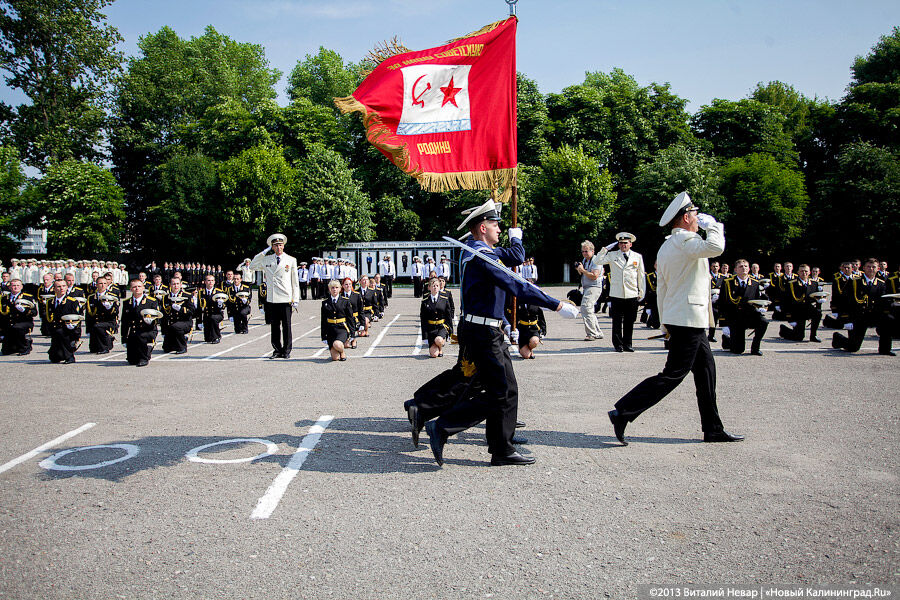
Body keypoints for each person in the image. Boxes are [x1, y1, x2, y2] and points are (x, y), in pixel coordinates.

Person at [418, 199, 579, 467]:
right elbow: (517, 284)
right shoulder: (482, 256)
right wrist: (557, 304)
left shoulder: (477, 250)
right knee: (499, 392)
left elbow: (512, 262)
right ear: (482, 227)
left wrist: (517, 244)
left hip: (485, 327)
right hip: (482, 331)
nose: (499, 229)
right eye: (495, 224)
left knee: (506, 388)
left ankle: (500, 444)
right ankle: (445, 427)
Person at [607, 192, 744, 445]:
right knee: (673, 374)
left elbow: (664, 288)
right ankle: (623, 412)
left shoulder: (668, 244)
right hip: (688, 319)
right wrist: (714, 226)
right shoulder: (685, 240)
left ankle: (713, 428)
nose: (697, 217)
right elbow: (716, 247)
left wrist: (665, 321)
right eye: (695, 213)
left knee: (706, 371)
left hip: (683, 317)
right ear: (686, 216)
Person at [592, 232, 646, 352]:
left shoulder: (637, 257)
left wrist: (641, 291)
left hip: (631, 293)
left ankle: (628, 343)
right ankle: (618, 344)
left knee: (630, 321)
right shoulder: (612, 255)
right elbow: (597, 261)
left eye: (625, 243)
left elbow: (640, 276)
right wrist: (604, 249)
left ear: (630, 244)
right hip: (617, 293)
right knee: (616, 321)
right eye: (621, 243)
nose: (623, 245)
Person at [249, 233, 300, 359]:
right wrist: (263, 252)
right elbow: (252, 265)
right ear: (272, 247)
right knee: (275, 326)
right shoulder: (267, 259)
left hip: (286, 297)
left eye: (280, 245)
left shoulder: (291, 260)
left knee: (287, 326)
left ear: (284, 246)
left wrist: (296, 298)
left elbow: (295, 282)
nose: (279, 248)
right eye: (276, 245)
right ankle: (277, 350)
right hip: (272, 298)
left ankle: (287, 350)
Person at [832, 258, 895, 356]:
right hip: (858, 316)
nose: (871, 269)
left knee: (888, 319)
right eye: (868, 267)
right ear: (864, 268)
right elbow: (844, 300)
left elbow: (884, 301)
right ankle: (838, 339)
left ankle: (885, 349)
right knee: (853, 348)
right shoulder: (854, 282)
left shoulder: (881, 284)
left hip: (875, 314)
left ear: (878, 268)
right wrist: (846, 319)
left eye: (873, 267)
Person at [716, 259, 768, 356]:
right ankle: (727, 340)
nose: (744, 268)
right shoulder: (728, 282)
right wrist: (724, 323)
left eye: (746, 266)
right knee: (738, 350)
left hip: (750, 315)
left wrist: (761, 307)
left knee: (763, 322)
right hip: (735, 318)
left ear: (749, 269)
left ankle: (755, 348)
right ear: (735, 269)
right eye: (741, 266)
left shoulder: (755, 283)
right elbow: (722, 302)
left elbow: (757, 300)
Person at [778, 264, 824, 343]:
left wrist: (818, 307)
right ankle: (784, 330)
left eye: (806, 271)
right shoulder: (791, 284)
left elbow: (817, 298)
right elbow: (785, 301)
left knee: (818, 313)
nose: (804, 273)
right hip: (797, 312)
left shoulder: (814, 284)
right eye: (802, 271)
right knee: (799, 337)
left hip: (808, 309)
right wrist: (790, 318)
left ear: (809, 272)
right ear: (798, 272)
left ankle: (813, 335)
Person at [120, 278, 159, 367]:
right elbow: (124, 321)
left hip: (147, 330)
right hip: (133, 332)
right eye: (134, 287)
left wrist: (151, 321)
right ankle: (145, 351)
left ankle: (145, 356)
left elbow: (157, 318)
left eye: (139, 286)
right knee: (132, 360)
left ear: (143, 287)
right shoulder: (127, 302)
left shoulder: (151, 301)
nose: (137, 288)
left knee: (141, 340)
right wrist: (124, 337)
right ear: (130, 289)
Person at [46, 279, 82, 364]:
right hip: (55, 329)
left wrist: (73, 325)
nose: (61, 288)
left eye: (63, 286)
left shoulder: (72, 302)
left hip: (69, 329)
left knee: (61, 333)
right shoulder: (50, 301)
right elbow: (48, 317)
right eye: (58, 286)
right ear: (54, 289)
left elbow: (77, 317)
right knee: (54, 358)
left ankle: (70, 356)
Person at [575, 240, 605, 341]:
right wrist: (580, 269)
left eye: (586, 251)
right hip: (587, 287)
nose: (584, 253)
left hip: (594, 287)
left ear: (592, 251)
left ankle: (591, 333)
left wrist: (582, 270)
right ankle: (598, 332)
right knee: (589, 310)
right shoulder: (585, 260)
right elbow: (584, 273)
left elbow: (594, 276)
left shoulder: (596, 260)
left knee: (585, 307)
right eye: (583, 251)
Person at [0, 278, 38, 355]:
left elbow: (34, 313)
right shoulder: (4, 298)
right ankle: (14, 346)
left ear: (21, 287)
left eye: (18, 285)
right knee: (6, 351)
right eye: (13, 285)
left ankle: (25, 345)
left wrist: (24, 311)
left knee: (17, 328)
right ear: (9, 287)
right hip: (9, 323)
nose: (16, 287)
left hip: (23, 322)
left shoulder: (27, 297)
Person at [321, 280, 355, 361]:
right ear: (329, 289)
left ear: (340, 289)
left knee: (337, 344)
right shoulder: (325, 303)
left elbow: (350, 318)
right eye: (332, 288)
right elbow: (323, 320)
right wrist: (323, 336)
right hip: (330, 330)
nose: (334, 289)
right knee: (335, 358)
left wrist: (352, 334)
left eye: (336, 287)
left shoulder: (345, 301)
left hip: (341, 328)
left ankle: (342, 351)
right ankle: (337, 350)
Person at [85, 275, 119, 354]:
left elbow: (115, 312)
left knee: (99, 327)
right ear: (96, 285)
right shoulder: (91, 297)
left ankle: (105, 347)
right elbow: (88, 315)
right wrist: (88, 329)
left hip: (108, 322)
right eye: (100, 283)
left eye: (105, 283)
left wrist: (109, 307)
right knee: (93, 349)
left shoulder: (111, 296)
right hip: (95, 323)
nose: (103, 285)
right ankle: (106, 342)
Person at [420, 277, 453, 358]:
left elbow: (448, 316)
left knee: (439, 340)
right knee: (434, 355)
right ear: (429, 287)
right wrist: (424, 336)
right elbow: (423, 319)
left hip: (441, 327)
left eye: (437, 285)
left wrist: (450, 331)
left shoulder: (444, 299)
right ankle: (436, 346)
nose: (435, 287)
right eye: (433, 285)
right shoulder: (425, 301)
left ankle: (440, 348)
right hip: (431, 329)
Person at [160, 277, 194, 354]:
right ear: (170, 285)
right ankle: (180, 340)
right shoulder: (166, 297)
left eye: (178, 284)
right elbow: (164, 315)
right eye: (174, 284)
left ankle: (182, 347)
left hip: (185, 322)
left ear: (181, 285)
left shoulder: (187, 296)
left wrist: (181, 309)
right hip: (171, 323)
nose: (176, 286)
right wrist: (163, 331)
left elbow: (192, 311)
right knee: (167, 349)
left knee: (176, 327)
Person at [198, 274, 226, 344]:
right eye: (209, 280)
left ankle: (217, 336)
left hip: (217, 313)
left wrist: (220, 304)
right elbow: (199, 308)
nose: (210, 282)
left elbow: (224, 305)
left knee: (213, 319)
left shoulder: (219, 292)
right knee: (207, 339)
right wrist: (198, 322)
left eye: (212, 280)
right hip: (207, 315)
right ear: (205, 282)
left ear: (214, 282)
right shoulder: (201, 292)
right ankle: (211, 335)